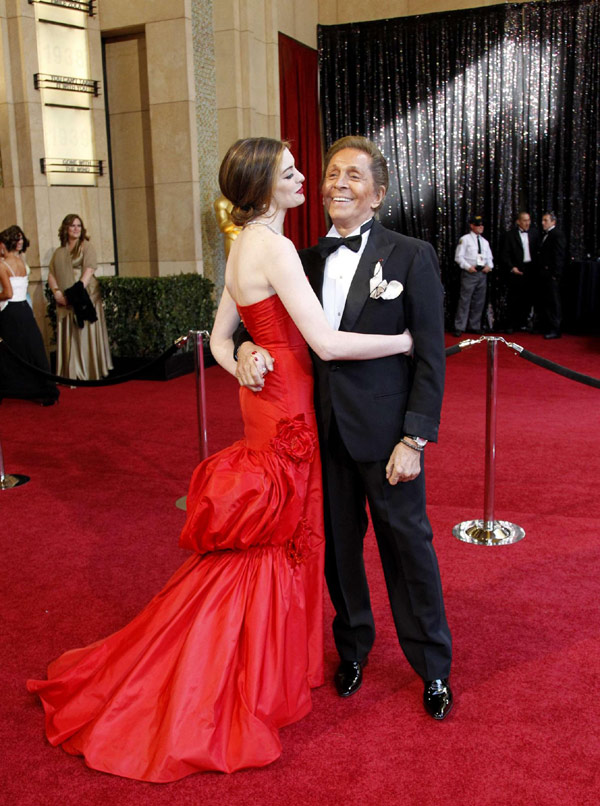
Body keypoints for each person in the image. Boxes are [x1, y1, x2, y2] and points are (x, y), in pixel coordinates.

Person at [27, 138, 413, 782]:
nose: (304, 179)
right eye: (290, 172)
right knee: (276, 542)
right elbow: (323, 341)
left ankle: (261, 664)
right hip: (289, 413)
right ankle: (245, 671)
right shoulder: (276, 246)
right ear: (264, 188)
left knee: (270, 541)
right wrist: (404, 338)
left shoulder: (242, 245)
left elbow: (216, 338)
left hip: (267, 406)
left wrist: (243, 365)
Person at [235, 135, 453, 720]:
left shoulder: (411, 255)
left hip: (388, 441)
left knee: (408, 549)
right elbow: (256, 321)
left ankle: (433, 666)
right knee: (338, 553)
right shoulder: (296, 257)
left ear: (378, 194)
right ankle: (352, 649)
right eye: (331, 173)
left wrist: (415, 438)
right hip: (319, 435)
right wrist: (247, 348)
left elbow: (431, 355)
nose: (336, 183)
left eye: (353, 176)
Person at [47, 214, 112, 380]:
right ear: (66, 229)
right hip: (65, 298)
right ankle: (70, 371)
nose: (76, 229)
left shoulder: (86, 247)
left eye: (79, 225)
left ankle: (88, 370)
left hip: (86, 295)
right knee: (70, 331)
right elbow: (52, 273)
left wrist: (75, 294)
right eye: (72, 225)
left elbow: (89, 269)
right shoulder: (59, 252)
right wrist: (57, 293)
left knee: (84, 332)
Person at [0, 226, 59, 405]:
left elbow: (8, 293)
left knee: (10, 351)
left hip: (10, 311)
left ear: (4, 244)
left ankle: (12, 387)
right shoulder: (21, 262)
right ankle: (45, 388)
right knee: (33, 350)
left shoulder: (2, 265)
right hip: (25, 309)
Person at [453, 215, 493, 338]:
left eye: (482, 225)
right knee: (465, 300)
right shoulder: (465, 240)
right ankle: (459, 326)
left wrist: (489, 266)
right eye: (477, 224)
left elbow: (490, 258)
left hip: (482, 273)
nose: (480, 227)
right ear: (471, 225)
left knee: (479, 301)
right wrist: (467, 267)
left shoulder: (485, 242)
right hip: (470, 273)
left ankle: (474, 325)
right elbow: (458, 257)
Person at [500, 211, 539, 333]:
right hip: (516, 269)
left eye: (528, 220)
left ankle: (524, 323)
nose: (527, 223)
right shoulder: (510, 235)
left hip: (531, 269)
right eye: (524, 220)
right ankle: (511, 324)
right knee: (514, 298)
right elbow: (504, 254)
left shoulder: (535, 233)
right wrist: (512, 267)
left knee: (528, 298)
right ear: (518, 221)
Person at [537, 211, 567, 339]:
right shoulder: (547, 235)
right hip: (545, 274)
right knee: (547, 301)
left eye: (546, 220)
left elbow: (559, 255)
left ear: (553, 222)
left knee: (554, 302)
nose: (543, 223)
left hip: (552, 274)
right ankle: (547, 326)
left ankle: (555, 328)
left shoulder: (557, 234)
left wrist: (556, 274)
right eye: (543, 220)